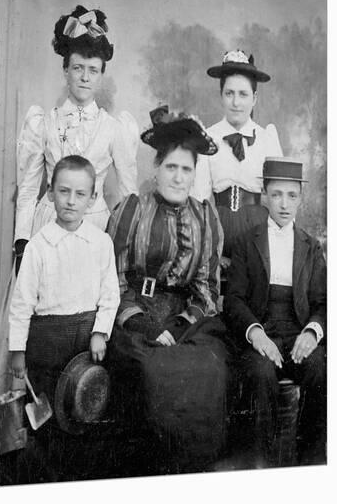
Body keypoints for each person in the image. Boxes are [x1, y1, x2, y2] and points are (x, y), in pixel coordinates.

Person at [107, 110, 230, 472]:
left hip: (186, 318)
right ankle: (156, 473)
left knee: (209, 366)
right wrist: (146, 326)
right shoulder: (132, 209)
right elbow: (112, 279)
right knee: (153, 370)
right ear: (156, 169)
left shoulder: (206, 216)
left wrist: (179, 325)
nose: (178, 177)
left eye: (186, 169)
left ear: (195, 174)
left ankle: (197, 471)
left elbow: (207, 288)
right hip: (135, 313)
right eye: (171, 167)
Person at [14, 4, 138, 273]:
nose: (84, 77)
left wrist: (126, 245)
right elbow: (27, 190)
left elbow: (130, 195)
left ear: (101, 75)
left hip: (95, 227)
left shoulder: (114, 128)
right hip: (48, 225)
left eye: (93, 70)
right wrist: (22, 241)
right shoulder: (44, 123)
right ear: (65, 71)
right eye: (78, 68)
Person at [224, 157, 326, 467]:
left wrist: (312, 332)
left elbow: (323, 302)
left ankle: (311, 464)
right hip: (260, 329)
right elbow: (234, 300)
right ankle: (260, 466)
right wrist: (256, 334)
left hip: (297, 331)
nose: (284, 204)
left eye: (292, 195)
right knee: (260, 372)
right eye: (277, 194)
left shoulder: (310, 246)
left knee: (320, 370)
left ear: (300, 199)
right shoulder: (246, 242)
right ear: (264, 195)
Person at [9, 155, 120, 404]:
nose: (71, 201)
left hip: (86, 338)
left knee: (81, 404)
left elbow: (110, 294)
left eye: (80, 194)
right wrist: (18, 349)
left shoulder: (101, 243)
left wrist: (100, 332)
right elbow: (22, 302)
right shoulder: (38, 245)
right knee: (45, 404)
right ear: (50, 193)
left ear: (92, 199)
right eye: (63, 191)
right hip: (45, 342)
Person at [194, 50, 283, 263]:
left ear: (254, 99)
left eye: (243, 94)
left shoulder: (266, 138)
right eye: (229, 93)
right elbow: (200, 199)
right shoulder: (207, 137)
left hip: (260, 236)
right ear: (221, 96)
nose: (236, 102)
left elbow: (280, 196)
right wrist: (213, 250)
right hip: (218, 234)